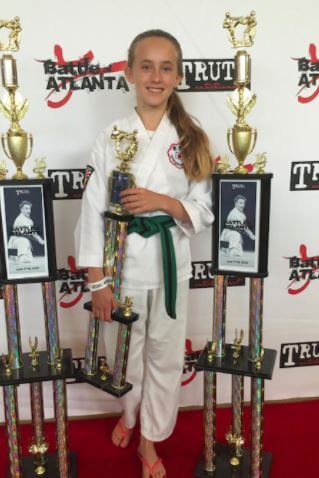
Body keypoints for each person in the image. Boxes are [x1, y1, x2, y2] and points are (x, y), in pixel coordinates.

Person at [75, 29, 214, 478]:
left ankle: (149, 439)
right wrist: (96, 281)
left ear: (178, 75)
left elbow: (204, 209)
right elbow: (93, 210)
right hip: (122, 269)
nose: (156, 76)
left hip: (170, 266)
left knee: (165, 356)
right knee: (125, 356)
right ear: (130, 72)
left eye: (166, 67)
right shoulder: (112, 135)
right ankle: (130, 413)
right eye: (147, 66)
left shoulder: (192, 138)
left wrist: (163, 202)